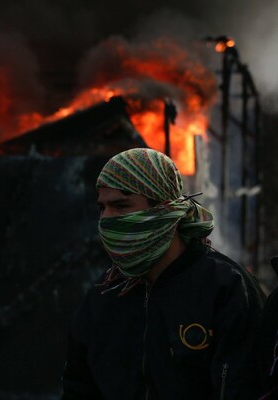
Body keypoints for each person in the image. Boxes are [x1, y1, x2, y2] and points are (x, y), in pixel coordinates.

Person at [61, 148, 265, 399]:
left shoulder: (226, 288)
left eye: (121, 206)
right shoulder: (103, 296)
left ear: (163, 208)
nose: (107, 219)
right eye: (102, 208)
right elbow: (78, 387)